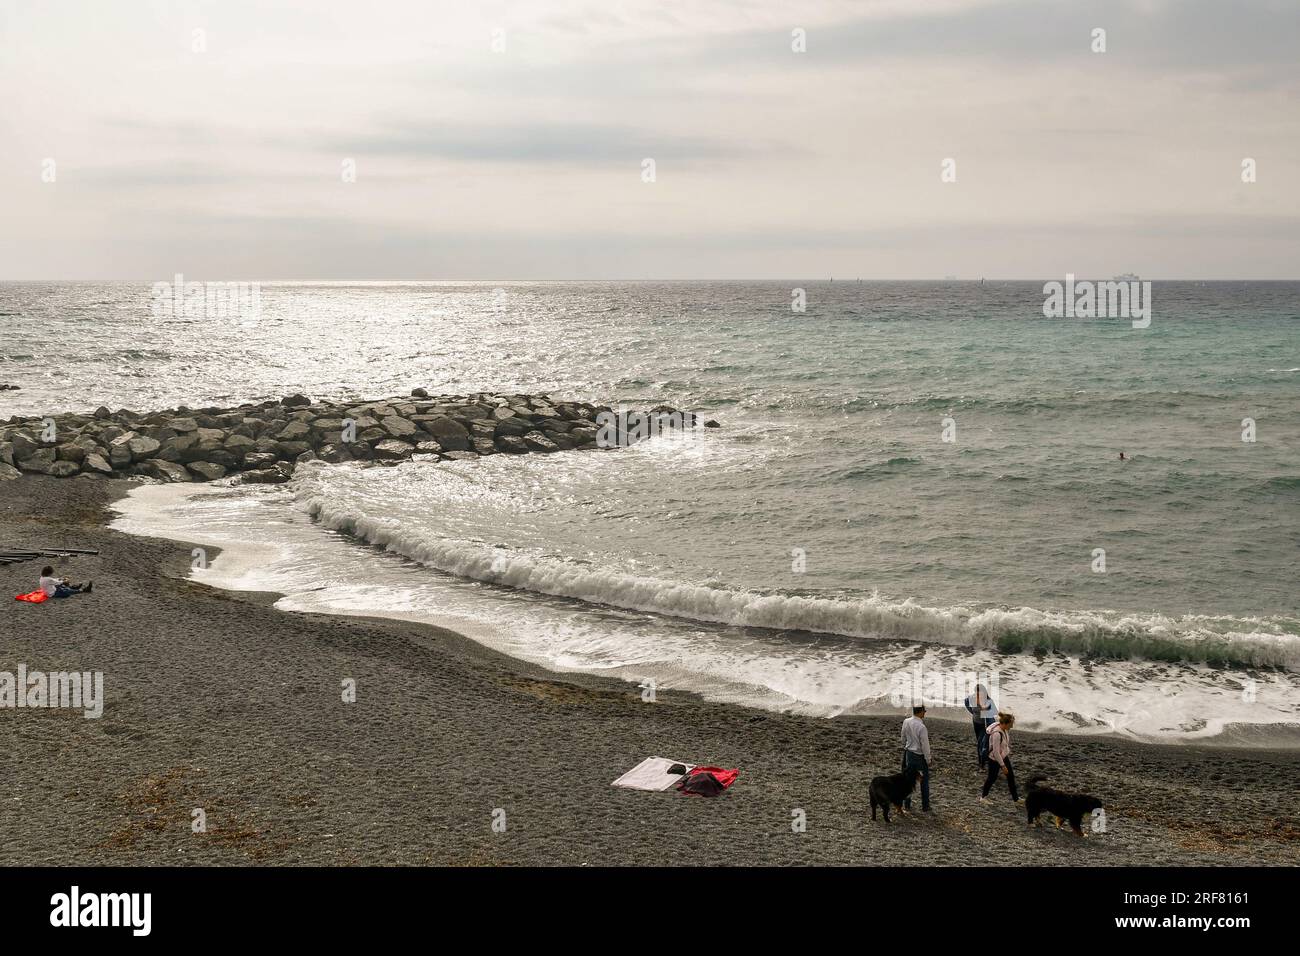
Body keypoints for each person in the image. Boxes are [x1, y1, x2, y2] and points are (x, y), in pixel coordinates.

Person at [980, 712, 1019, 804]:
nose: (1012, 726)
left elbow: (1002, 747)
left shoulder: (1004, 730)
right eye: (1011, 724)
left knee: (1011, 777)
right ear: (1005, 723)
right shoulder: (997, 734)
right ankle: (983, 797)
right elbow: (996, 752)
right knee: (992, 778)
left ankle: (1016, 799)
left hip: (1003, 756)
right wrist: (1002, 766)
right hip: (994, 759)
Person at [900, 704, 932, 812]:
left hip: (909, 754)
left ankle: (907, 804)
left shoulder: (906, 721)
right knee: (924, 781)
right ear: (920, 712)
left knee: (908, 780)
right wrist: (928, 759)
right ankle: (925, 806)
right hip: (919, 756)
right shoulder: (922, 727)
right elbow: (925, 746)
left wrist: (905, 745)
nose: (925, 713)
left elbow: (903, 736)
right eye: (924, 711)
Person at [964, 683, 998, 769]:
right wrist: (972, 712)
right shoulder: (972, 698)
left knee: (980, 743)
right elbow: (966, 702)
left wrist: (984, 709)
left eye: (979, 693)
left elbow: (995, 712)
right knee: (981, 743)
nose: (977, 695)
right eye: (976, 693)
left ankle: (981, 763)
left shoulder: (989, 701)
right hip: (976, 723)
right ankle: (984, 758)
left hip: (986, 725)